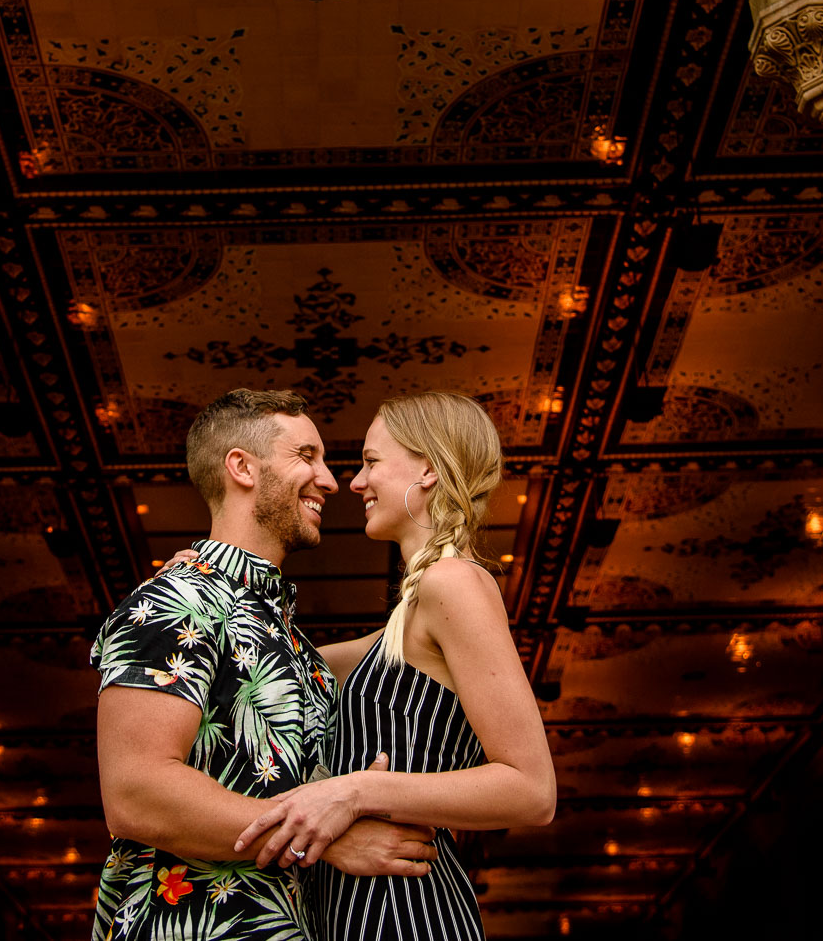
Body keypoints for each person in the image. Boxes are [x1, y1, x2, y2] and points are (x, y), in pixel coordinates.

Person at [165, 391, 556, 939]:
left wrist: (352, 792)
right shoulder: (411, 613)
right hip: (355, 903)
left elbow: (532, 789)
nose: (352, 482)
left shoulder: (454, 584)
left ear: (427, 469)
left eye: (371, 462)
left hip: (405, 906)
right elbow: (274, 660)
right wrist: (205, 591)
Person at [89, 388, 440, 941]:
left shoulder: (295, 648)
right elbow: (136, 791)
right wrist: (324, 838)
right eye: (307, 456)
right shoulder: (176, 600)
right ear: (242, 468)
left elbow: (408, 645)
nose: (329, 480)